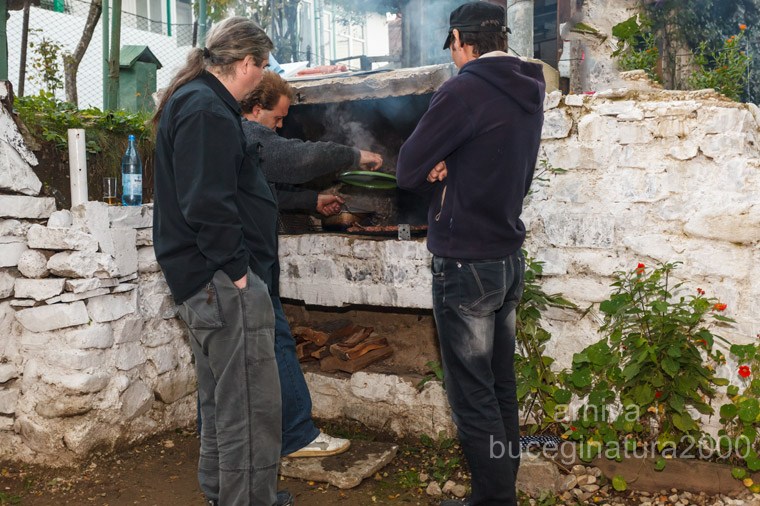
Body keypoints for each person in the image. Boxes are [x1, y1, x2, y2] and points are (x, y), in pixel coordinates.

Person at [396, 2, 546, 505]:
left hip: (466, 264)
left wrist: (437, 164)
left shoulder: (462, 91)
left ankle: (494, 500)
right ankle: (500, 495)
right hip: (506, 257)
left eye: (452, 46)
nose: (452, 55)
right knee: (500, 386)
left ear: (461, 39)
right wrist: (451, 162)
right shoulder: (530, 86)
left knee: (472, 396)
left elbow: (407, 169)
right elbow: (496, 161)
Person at [152, 17, 293, 506]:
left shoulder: (194, 99)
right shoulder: (206, 109)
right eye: (265, 65)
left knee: (222, 400)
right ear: (247, 62)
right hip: (220, 279)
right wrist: (238, 273)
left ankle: (223, 493)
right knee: (251, 406)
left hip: (204, 278)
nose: (265, 75)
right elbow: (207, 203)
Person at [239, 71, 383, 458]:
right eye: (278, 118)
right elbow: (297, 157)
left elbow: (260, 189)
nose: (280, 127)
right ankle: (297, 436)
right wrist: (354, 155)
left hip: (246, 263)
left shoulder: (235, 137)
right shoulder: (247, 133)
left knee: (235, 354)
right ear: (256, 109)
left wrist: (311, 201)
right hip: (246, 265)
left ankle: (233, 440)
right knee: (278, 341)